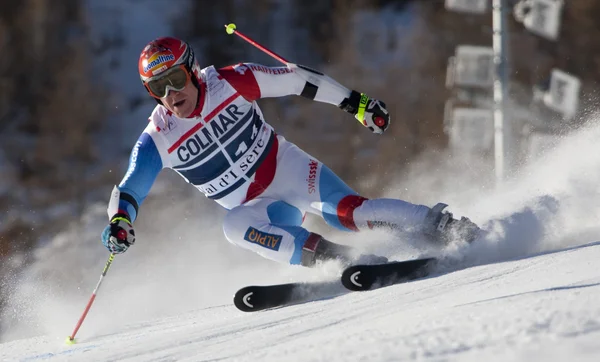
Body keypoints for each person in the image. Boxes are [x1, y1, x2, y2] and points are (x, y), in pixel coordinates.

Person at [101, 37, 480, 267]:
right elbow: (131, 187)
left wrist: (356, 103)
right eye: (158, 88)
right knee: (233, 227)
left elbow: (297, 79)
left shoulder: (229, 83)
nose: (171, 95)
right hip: (259, 207)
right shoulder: (160, 136)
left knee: (349, 213)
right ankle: (335, 259)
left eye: (176, 80)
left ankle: (443, 227)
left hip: (288, 170)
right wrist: (120, 221)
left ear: (193, 70)